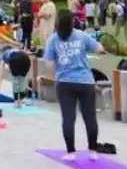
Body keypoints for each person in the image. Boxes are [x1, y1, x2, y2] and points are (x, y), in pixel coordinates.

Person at [45, 9, 106, 161]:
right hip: (86, 81)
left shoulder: (53, 39)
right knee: (90, 117)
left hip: (65, 83)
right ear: (73, 22)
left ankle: (71, 152)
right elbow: (99, 48)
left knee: (68, 118)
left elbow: (49, 64)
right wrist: (100, 50)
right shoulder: (81, 35)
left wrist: (57, 73)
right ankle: (93, 151)